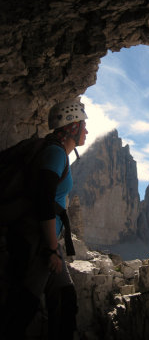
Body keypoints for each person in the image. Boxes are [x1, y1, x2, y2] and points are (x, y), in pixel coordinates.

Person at [2, 98, 88, 339]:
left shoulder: (57, 152)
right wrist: (51, 249)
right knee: (23, 306)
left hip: (43, 241)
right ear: (73, 126)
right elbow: (43, 200)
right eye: (83, 125)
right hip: (35, 241)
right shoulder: (55, 153)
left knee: (65, 298)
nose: (87, 130)